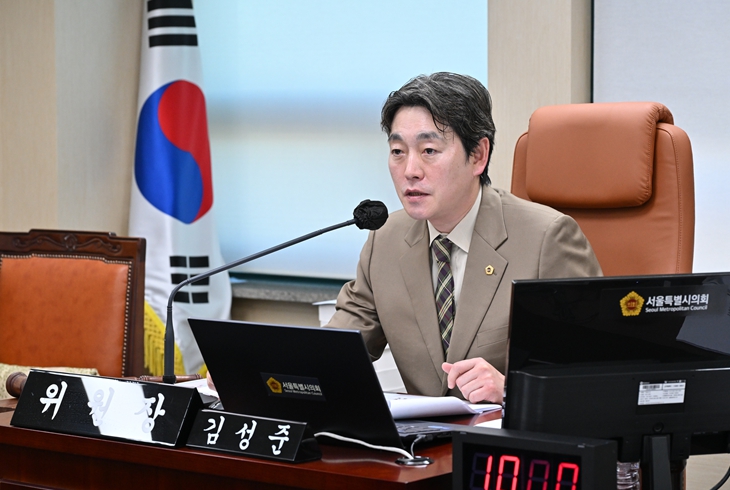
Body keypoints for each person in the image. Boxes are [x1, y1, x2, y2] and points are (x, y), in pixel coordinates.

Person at [325, 72, 602, 405]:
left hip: (509, 435)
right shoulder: (384, 240)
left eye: (429, 150)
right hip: (422, 438)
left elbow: (595, 375)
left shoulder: (547, 239)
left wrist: (509, 390)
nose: (410, 170)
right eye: (398, 151)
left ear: (478, 156)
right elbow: (333, 354)